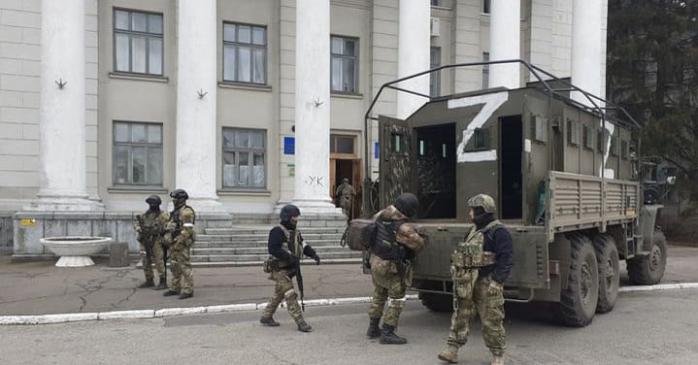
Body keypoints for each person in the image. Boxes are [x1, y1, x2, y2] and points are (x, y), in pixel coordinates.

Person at [437, 194, 513, 365]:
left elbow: (506, 259)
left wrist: (497, 281)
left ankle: (497, 355)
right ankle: (452, 350)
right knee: (460, 316)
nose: (470, 213)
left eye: (473, 210)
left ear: (482, 211)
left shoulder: (498, 232)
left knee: (492, 319)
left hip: (487, 282)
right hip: (466, 282)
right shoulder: (473, 230)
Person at [366, 193, 424, 345]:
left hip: (375, 261)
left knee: (379, 294)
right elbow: (418, 245)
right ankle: (388, 332)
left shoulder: (380, 215)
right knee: (397, 298)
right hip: (390, 267)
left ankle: (372, 328)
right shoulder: (403, 227)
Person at [259, 205, 321, 332]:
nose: (296, 220)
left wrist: (313, 254)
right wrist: (288, 257)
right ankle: (300, 322)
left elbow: (303, 245)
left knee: (278, 294)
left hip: (290, 269)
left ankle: (266, 316)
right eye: (294, 217)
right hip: (279, 270)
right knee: (290, 294)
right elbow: (273, 249)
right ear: (287, 218)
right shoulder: (277, 231)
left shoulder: (295, 233)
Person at [162, 189, 196, 299]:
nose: (173, 201)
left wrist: (179, 242)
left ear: (181, 200)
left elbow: (188, 230)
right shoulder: (175, 211)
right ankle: (175, 287)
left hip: (181, 243)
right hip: (173, 243)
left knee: (185, 266)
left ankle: (188, 290)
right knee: (174, 266)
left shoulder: (186, 212)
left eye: (175, 199)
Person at [134, 195, 169, 290]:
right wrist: (138, 229)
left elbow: (168, 226)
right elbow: (137, 224)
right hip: (145, 240)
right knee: (145, 260)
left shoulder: (163, 215)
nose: (152, 206)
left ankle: (163, 281)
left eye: (154, 204)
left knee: (159, 261)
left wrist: (163, 234)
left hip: (156, 240)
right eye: (150, 204)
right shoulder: (144, 215)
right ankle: (149, 280)